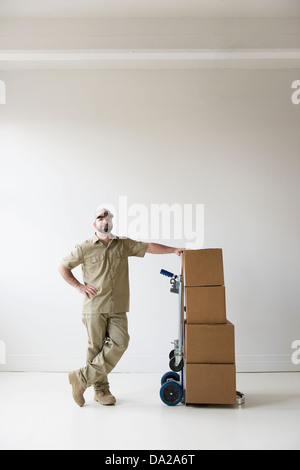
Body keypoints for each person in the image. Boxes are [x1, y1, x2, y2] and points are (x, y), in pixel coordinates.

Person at [58, 207, 185, 407]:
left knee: (120, 342)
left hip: (118, 306)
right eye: (100, 219)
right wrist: (79, 287)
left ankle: (80, 378)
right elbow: (63, 266)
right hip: (95, 306)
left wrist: (173, 250)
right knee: (96, 348)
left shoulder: (123, 244)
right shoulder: (84, 247)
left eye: (108, 218)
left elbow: (148, 246)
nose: (104, 222)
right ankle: (101, 391)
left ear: (112, 223)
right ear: (95, 224)